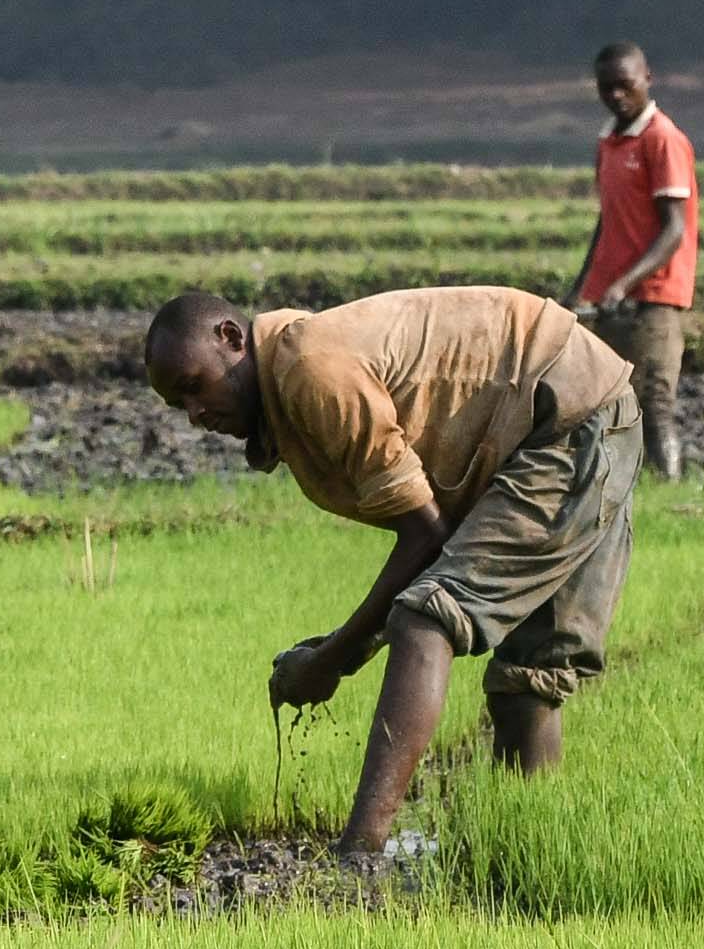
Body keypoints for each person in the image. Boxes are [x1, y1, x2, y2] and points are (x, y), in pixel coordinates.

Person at [140, 281, 637, 863]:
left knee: (425, 624)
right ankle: (527, 860)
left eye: (195, 387)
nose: (197, 415)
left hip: (566, 419)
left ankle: (360, 854)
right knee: (524, 681)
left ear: (231, 338)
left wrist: (331, 660)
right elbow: (430, 532)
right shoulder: (297, 368)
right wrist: (338, 652)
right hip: (563, 411)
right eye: (181, 408)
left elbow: (425, 536)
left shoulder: (310, 368)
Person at [563, 41, 701, 475]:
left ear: (647, 79)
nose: (616, 96)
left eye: (625, 86)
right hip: (609, 301)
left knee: (655, 405)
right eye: (607, 88)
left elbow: (674, 230)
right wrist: (580, 289)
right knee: (602, 408)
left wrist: (624, 282)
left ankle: (674, 492)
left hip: (653, 300)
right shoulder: (609, 143)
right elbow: (608, 223)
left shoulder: (662, 140)